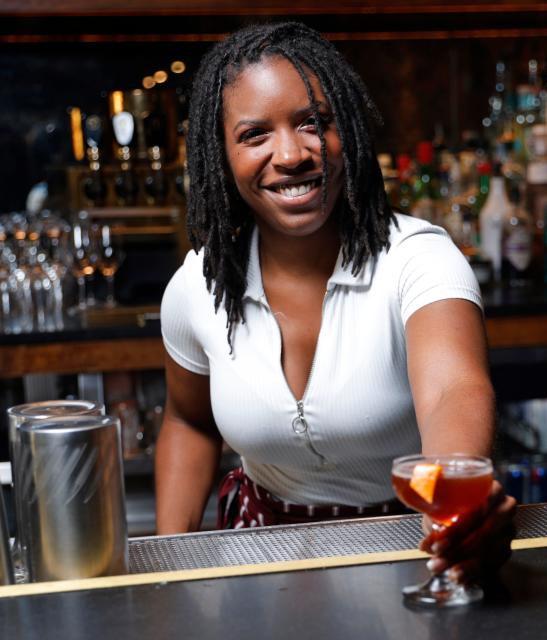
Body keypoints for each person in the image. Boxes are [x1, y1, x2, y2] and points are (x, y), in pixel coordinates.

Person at [156, 22, 515, 583]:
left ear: (347, 129)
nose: (292, 154)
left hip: (412, 546)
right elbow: (189, 421)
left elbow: (454, 388)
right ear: (219, 153)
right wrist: (167, 567)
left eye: (314, 123)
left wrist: (455, 504)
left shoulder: (418, 259)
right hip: (260, 556)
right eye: (254, 134)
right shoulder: (199, 284)